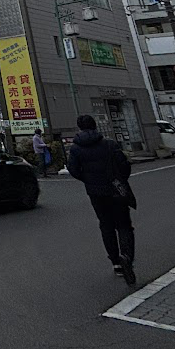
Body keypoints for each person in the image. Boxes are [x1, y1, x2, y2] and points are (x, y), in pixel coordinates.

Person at [66, 115, 137, 285]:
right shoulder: (109, 144)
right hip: (116, 190)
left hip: (95, 192)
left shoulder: (76, 149)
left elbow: (73, 169)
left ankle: (115, 262)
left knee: (106, 225)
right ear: (95, 125)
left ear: (79, 127)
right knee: (124, 225)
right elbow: (124, 165)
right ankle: (126, 256)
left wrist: (88, 180)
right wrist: (119, 180)